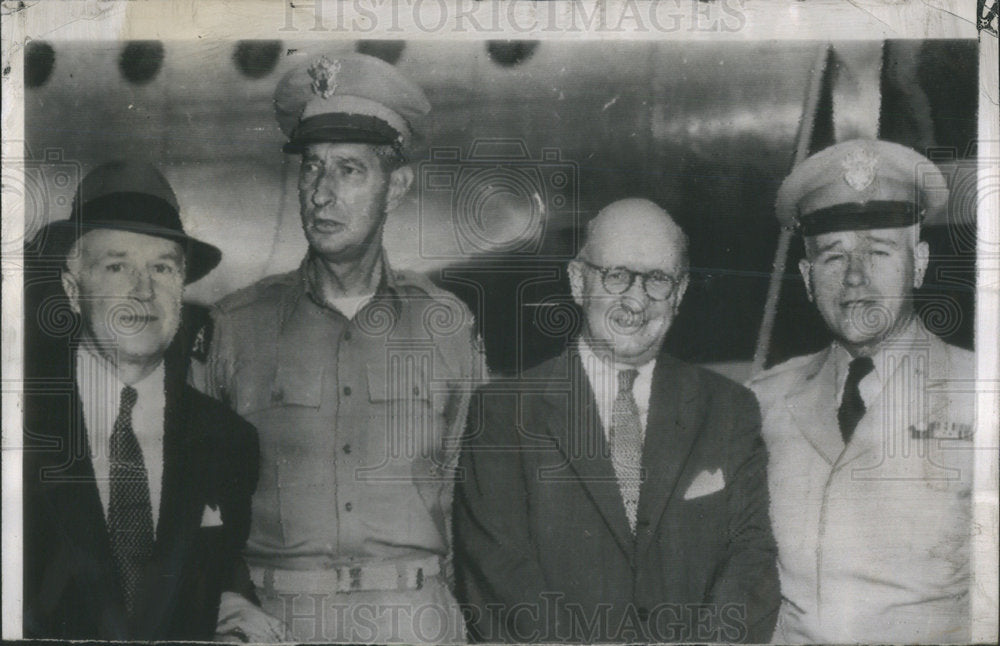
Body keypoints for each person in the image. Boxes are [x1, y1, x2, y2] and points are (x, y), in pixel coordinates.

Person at [191, 52, 485, 643]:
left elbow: (471, 498)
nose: (321, 194)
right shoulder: (235, 328)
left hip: (414, 621)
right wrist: (224, 604)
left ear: (395, 187)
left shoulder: (447, 326)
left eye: (349, 170)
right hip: (276, 621)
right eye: (311, 169)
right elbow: (191, 497)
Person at [454, 198, 780, 643]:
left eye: (658, 279)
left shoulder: (728, 409)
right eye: (617, 275)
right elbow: (499, 579)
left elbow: (751, 558)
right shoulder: (503, 414)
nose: (636, 300)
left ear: (680, 292)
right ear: (578, 281)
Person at [22, 161, 260, 641]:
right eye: (117, 266)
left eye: (162, 268)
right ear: (72, 289)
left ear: (182, 287)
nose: (144, 290)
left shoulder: (228, 439)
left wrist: (237, 611)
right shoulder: (18, 425)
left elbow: (221, 574)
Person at [749, 139, 975, 643]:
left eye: (878, 251)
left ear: (919, 262)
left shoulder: (981, 396)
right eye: (833, 256)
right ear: (807, 278)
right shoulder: (765, 402)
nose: (855, 277)